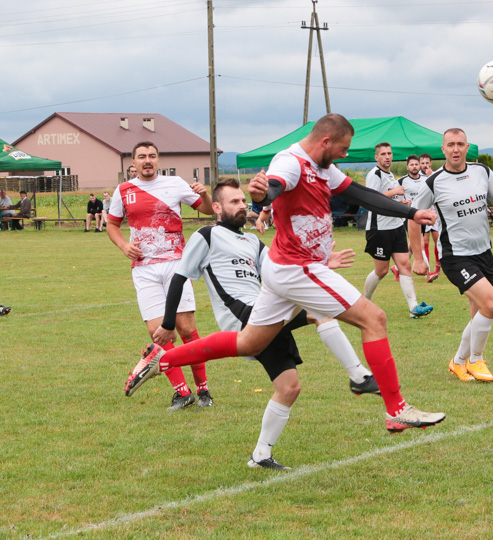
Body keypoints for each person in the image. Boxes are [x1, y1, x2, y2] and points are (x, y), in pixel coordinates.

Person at [124, 113, 445, 434]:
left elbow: (362, 195)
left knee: (249, 342)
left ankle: (162, 360)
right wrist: (262, 195)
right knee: (373, 318)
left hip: (286, 269)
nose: (345, 155)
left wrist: (412, 212)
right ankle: (394, 406)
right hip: (296, 268)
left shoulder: (324, 168)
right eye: (343, 149)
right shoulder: (290, 162)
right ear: (325, 141)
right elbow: (273, 187)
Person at [149, 178, 379, 469]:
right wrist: (169, 322)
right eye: (234, 201)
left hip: (266, 313)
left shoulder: (252, 241)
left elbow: (283, 269)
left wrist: (319, 264)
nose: (242, 206)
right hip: (243, 316)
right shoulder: (207, 235)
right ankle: (357, 375)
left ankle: (260, 456)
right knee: (320, 309)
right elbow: (180, 277)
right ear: (217, 207)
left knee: (289, 387)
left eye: (244, 201)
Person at [107, 141, 216, 410]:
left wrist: (206, 194)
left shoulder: (175, 183)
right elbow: (112, 224)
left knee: (186, 329)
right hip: (144, 269)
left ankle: (203, 390)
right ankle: (182, 392)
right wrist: (123, 245)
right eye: (141, 157)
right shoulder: (123, 190)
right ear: (132, 163)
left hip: (176, 265)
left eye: (152, 156)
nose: (147, 161)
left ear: (158, 160)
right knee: (158, 333)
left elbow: (207, 210)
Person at [408, 128, 493, 383]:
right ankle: (476, 359)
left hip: (484, 251)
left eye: (460, 144)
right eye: (450, 144)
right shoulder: (433, 183)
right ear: (442, 150)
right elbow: (413, 218)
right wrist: (419, 257)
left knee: (479, 312)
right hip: (455, 256)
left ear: (467, 147)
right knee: (491, 304)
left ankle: (457, 363)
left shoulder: (482, 171)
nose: (456, 149)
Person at [362, 143, 433, 319]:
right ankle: (363, 304)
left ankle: (413, 307)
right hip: (379, 229)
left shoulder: (390, 174)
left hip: (395, 226)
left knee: (404, 265)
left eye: (390, 153)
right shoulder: (375, 174)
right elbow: (371, 199)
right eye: (383, 154)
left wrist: (400, 203)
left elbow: (387, 199)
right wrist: (395, 192)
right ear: (376, 157)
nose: (387, 156)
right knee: (381, 270)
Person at [406, 154, 441, 282]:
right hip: (415, 215)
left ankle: (397, 268)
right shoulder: (403, 180)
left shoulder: (431, 177)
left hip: (431, 214)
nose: (417, 166)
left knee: (435, 240)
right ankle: (428, 272)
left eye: (427, 162)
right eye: (414, 164)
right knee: (422, 242)